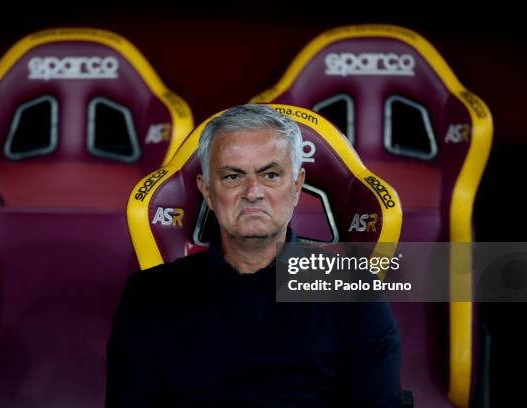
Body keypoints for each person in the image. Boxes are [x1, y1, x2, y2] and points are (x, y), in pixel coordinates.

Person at [106, 104, 401, 407]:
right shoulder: (148, 295)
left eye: (270, 174)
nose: (253, 192)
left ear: (297, 186)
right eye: (233, 176)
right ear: (207, 190)